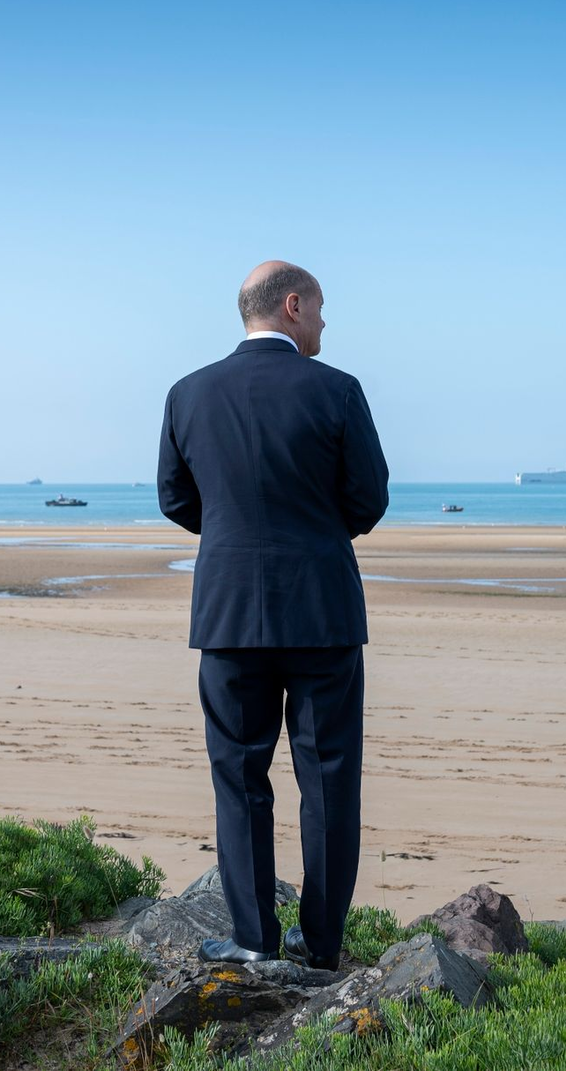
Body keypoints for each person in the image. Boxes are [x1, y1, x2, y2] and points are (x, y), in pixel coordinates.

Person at [157, 260, 389, 971]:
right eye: (319, 309)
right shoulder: (338, 390)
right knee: (327, 781)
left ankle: (255, 939)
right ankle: (319, 945)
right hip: (320, 611)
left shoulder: (188, 393)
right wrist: (313, 532)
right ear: (292, 305)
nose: (323, 323)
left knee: (239, 777)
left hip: (229, 614)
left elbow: (176, 499)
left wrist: (235, 533)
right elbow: (369, 499)